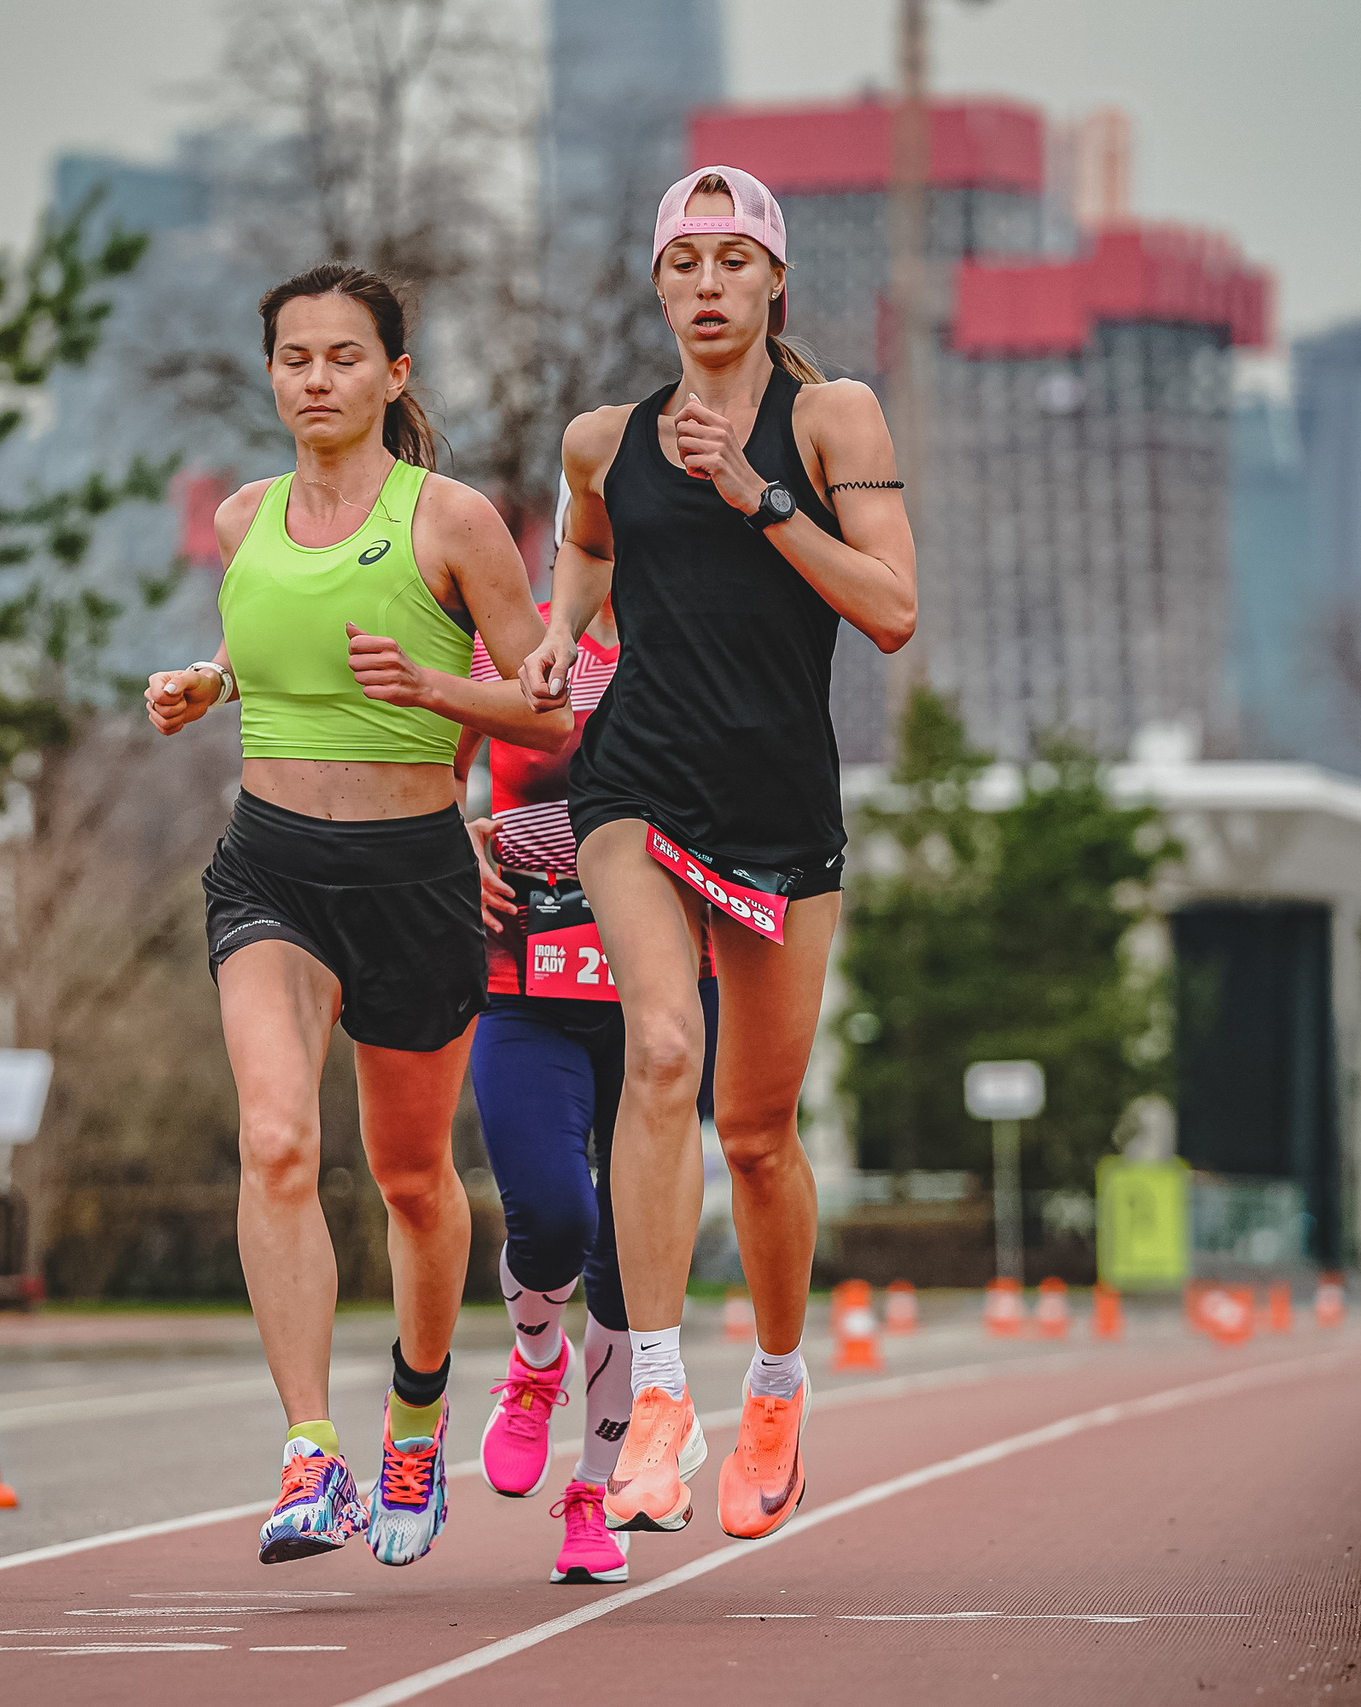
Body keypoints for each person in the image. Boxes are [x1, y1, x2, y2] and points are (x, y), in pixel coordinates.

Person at [145, 263, 571, 1568]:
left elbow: (548, 707)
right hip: (269, 867)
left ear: (395, 373)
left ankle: (416, 1406)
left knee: (409, 1176)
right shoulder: (240, 517)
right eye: (293, 357)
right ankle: (309, 1451)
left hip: (414, 878)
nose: (315, 378)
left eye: (343, 356)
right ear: (271, 372)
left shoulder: (452, 522)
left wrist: (440, 688)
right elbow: (279, 645)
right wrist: (207, 681)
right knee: (274, 1138)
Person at [516, 165, 917, 1542]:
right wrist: (565, 627)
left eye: (731, 261)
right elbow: (586, 540)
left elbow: (893, 608)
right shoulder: (602, 439)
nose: (705, 285)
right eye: (682, 263)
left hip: (780, 806)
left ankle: (777, 1390)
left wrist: (755, 495)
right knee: (661, 1053)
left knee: (755, 1133)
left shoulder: (833, 416)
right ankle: (661, 1398)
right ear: (658, 284)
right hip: (636, 779)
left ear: (775, 280)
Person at [456, 579, 719, 1586]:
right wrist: (449, 829)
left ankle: (593, 1491)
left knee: (630, 1255)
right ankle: (533, 1361)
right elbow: (431, 761)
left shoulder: (698, 636)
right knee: (556, 1218)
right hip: (524, 969)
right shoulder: (507, 642)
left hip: (663, 982)